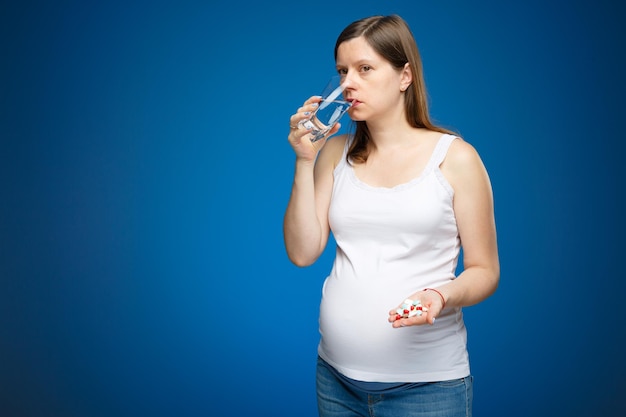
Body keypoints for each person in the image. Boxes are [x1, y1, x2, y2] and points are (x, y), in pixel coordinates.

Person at [283, 14, 499, 417]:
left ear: (405, 76)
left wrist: (440, 295)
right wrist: (303, 161)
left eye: (365, 69)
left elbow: (485, 270)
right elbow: (302, 252)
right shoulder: (335, 153)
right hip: (335, 380)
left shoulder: (456, 158)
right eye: (342, 71)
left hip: (428, 388)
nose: (348, 83)